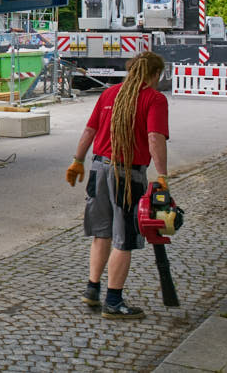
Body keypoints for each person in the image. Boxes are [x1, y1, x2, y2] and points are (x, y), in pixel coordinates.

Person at [66, 51, 169, 319]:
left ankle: (92, 289)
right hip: (127, 176)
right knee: (124, 239)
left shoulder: (110, 94)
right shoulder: (154, 99)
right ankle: (113, 301)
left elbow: (89, 130)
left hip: (98, 169)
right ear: (155, 74)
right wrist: (162, 176)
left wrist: (78, 160)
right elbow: (155, 138)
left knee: (102, 233)